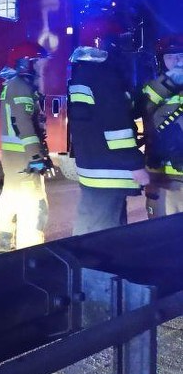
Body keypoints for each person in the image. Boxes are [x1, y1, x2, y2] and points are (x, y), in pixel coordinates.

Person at [68, 14, 149, 235]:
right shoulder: (105, 77)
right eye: (120, 41)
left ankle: (87, 268)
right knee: (103, 237)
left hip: (92, 168)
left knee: (93, 227)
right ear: (106, 43)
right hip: (109, 171)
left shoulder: (83, 74)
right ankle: (94, 270)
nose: (123, 49)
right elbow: (117, 128)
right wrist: (136, 165)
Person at [0, 41, 50, 253]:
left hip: (13, 158)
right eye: (37, 63)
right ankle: (30, 251)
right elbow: (23, 122)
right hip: (24, 158)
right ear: (26, 64)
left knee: (10, 196)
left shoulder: (12, 85)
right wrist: (36, 156)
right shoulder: (22, 87)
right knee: (35, 205)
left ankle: (0, 242)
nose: (40, 67)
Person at [137, 34, 183, 217]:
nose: (177, 61)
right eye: (170, 56)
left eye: (181, 55)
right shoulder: (152, 87)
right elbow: (144, 106)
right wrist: (170, 81)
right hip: (158, 173)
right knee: (157, 229)